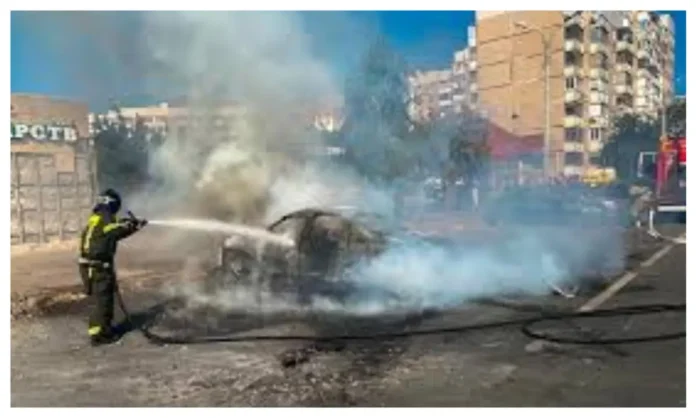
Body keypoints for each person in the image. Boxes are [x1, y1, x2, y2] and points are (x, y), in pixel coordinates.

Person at [78, 188, 147, 346]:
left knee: (103, 300)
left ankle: (102, 329)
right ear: (112, 203)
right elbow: (115, 231)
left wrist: (130, 225)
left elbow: (111, 231)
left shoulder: (97, 217)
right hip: (98, 268)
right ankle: (99, 335)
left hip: (92, 267)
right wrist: (132, 225)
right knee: (103, 301)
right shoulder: (106, 217)